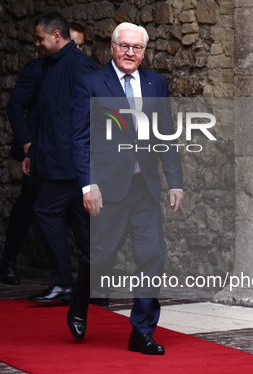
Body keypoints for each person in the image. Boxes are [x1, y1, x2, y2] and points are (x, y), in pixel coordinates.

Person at [68, 22, 184, 355]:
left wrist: (174, 181)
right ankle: (80, 300)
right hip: (107, 188)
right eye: (125, 46)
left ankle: (141, 332)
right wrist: (88, 185)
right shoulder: (91, 83)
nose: (130, 53)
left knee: (153, 256)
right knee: (101, 258)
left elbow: (166, 136)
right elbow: (79, 139)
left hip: (144, 187)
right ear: (112, 47)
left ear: (144, 51)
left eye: (138, 47)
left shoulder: (155, 83)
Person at [25, 12, 97, 302]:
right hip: (59, 161)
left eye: (40, 38)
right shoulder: (55, 64)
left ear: (57, 36)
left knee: (44, 210)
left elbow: (94, 112)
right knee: (82, 223)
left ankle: (64, 283)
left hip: (69, 163)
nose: (37, 44)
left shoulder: (78, 65)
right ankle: (95, 285)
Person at [0, 57, 45, 285]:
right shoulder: (37, 68)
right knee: (27, 205)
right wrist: (28, 145)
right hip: (40, 151)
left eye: (80, 46)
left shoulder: (85, 68)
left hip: (73, 152)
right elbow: (16, 106)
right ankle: (8, 261)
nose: (75, 50)